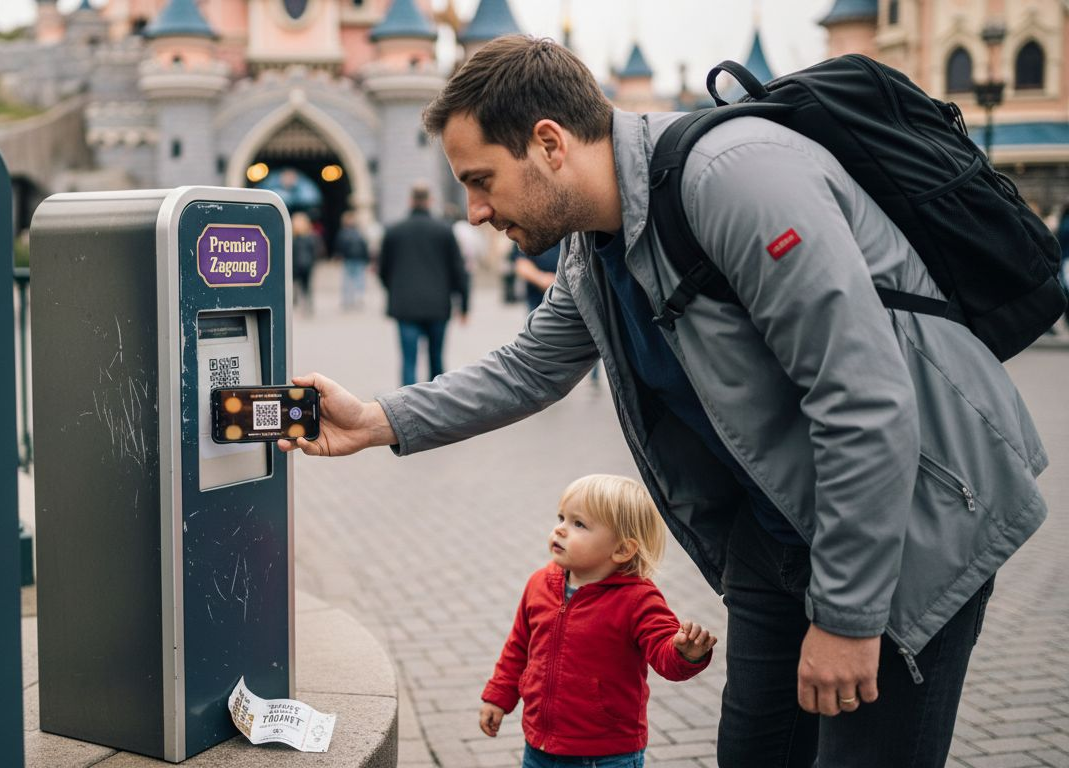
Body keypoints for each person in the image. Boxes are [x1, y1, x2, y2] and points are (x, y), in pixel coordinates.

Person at [281, 35, 1048, 767]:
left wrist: (848, 620)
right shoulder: (593, 242)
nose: (475, 212)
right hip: (778, 535)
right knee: (752, 756)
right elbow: (528, 369)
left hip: (910, 525)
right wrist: (377, 421)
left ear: (550, 144)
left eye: (481, 180)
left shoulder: (735, 179)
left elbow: (863, 398)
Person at [479, 474, 716, 768]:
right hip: (539, 745)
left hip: (605, 754)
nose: (560, 529)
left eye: (578, 524)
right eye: (562, 518)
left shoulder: (637, 599)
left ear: (622, 550)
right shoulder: (539, 584)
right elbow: (517, 648)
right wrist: (498, 698)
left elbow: (663, 651)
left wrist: (685, 653)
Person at [377, 182, 469, 385]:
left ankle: (405, 407)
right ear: (430, 201)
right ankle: (436, 406)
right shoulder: (444, 231)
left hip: (405, 306)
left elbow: (383, 270)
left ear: (410, 201)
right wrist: (464, 305)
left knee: (408, 361)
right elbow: (459, 270)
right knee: (436, 359)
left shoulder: (394, 231)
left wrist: (394, 290)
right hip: (438, 305)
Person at [335, 209, 371, 310]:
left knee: (347, 279)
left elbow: (339, 246)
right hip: (359, 258)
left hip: (348, 258)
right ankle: (359, 297)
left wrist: (338, 256)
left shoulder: (343, 233)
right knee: (359, 278)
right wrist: (366, 259)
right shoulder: (359, 232)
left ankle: (348, 299)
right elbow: (364, 245)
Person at [291, 210, 320, 315]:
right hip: (307, 264)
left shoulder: (292, 238)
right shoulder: (310, 237)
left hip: (297, 266)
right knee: (307, 287)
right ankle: (308, 307)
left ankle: (301, 306)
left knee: (297, 287)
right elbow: (315, 251)